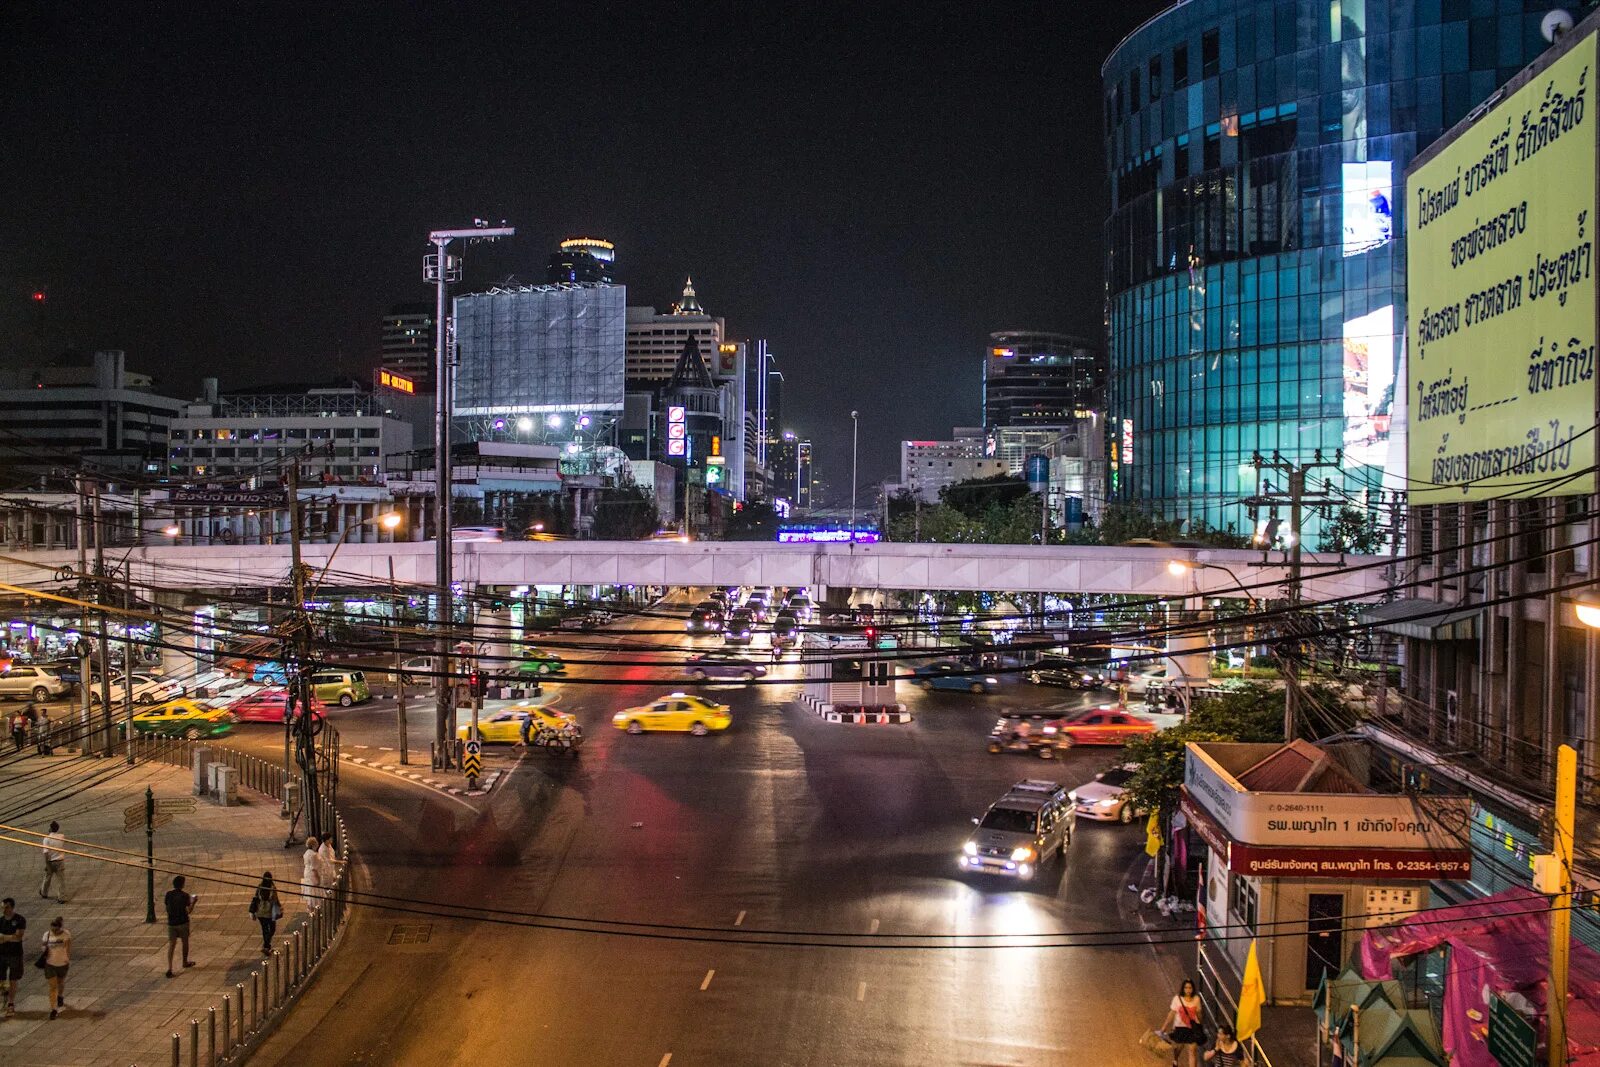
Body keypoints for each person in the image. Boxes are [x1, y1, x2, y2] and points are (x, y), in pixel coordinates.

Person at [1163, 978, 1207, 1067]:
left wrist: (1201, 1026)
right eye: (1186, 988)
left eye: (1190, 988)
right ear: (1183, 989)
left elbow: (1198, 1013)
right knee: (1179, 1047)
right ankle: (1175, 1059)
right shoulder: (1177, 999)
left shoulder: (1196, 999)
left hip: (1192, 1028)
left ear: (1193, 989)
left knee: (1192, 1050)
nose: (1188, 990)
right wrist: (1164, 1027)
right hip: (1180, 1028)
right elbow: (1172, 1013)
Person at [164, 875, 196, 978]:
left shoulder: (168, 894)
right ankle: (184, 961)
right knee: (185, 942)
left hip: (171, 923)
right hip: (182, 922)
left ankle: (169, 968)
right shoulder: (185, 895)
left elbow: (167, 906)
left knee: (171, 945)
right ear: (182, 885)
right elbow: (189, 910)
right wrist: (193, 902)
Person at [40, 916, 69, 1019]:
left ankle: (60, 996)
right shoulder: (47, 935)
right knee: (52, 986)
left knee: (60, 982)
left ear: (60, 927)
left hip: (62, 963)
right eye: (52, 928)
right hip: (50, 964)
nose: (54, 931)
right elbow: (43, 945)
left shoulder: (66, 935)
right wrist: (44, 950)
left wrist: (67, 959)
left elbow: (68, 947)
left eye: (56, 929)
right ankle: (53, 1009)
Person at [0, 898, 23, 1017]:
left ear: (12, 907)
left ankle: (11, 1003)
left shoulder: (19, 919)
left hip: (15, 954)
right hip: (1, 954)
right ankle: (4, 997)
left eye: (6, 907)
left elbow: (18, 937)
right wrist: (10, 937)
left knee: (13, 979)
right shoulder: (0, 920)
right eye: (2, 907)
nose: (4, 910)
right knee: (2, 980)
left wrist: (4, 937)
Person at [249, 873, 282, 955]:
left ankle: (267, 946)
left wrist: (252, 911)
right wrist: (280, 908)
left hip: (260, 913)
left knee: (265, 930)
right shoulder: (272, 888)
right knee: (272, 929)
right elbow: (275, 900)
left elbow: (255, 898)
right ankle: (266, 946)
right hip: (269, 913)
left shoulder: (260, 887)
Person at [40, 821, 67, 903]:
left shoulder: (46, 839)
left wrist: (46, 864)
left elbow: (46, 853)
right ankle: (61, 897)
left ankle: (44, 892)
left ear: (50, 828)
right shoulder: (62, 836)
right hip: (60, 861)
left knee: (47, 878)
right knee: (61, 880)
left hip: (50, 861)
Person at [301, 836, 323, 905]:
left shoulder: (306, 853)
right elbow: (314, 868)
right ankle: (314, 908)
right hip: (312, 874)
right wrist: (318, 878)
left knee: (309, 891)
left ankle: (310, 908)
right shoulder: (313, 855)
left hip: (307, 872)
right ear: (313, 845)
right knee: (315, 891)